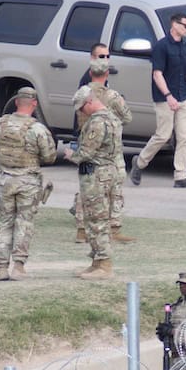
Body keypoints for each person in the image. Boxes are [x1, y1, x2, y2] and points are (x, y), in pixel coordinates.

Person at [0, 87, 57, 281]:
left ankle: (1, 267)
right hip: (28, 181)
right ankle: (18, 266)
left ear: (17, 102)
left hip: (6, 180)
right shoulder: (38, 129)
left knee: (5, 223)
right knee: (24, 223)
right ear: (34, 104)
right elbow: (50, 156)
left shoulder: (0, 124)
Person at [131, 13, 186, 189]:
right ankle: (139, 163)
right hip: (165, 98)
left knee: (184, 137)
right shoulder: (161, 46)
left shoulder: (185, 47)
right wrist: (168, 96)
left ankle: (181, 176)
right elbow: (157, 74)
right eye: (185, 26)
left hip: (184, 96)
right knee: (163, 135)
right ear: (174, 25)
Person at [73, 59, 135, 244]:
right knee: (115, 186)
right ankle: (114, 227)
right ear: (107, 74)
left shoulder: (82, 94)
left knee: (86, 185)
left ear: (90, 73)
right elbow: (128, 117)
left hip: (87, 142)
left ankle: (81, 229)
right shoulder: (112, 96)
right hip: (110, 147)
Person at [64, 86, 122, 280]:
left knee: (97, 220)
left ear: (89, 102)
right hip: (107, 172)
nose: (81, 112)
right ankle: (97, 261)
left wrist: (72, 155)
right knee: (97, 219)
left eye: (82, 108)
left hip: (96, 175)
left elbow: (86, 153)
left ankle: (104, 264)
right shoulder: (112, 118)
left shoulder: (97, 122)